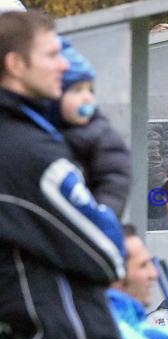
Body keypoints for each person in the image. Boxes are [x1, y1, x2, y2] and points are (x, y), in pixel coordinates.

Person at [0, 10, 140, 339]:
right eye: (50, 54)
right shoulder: (31, 154)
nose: (63, 63)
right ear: (15, 64)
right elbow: (109, 255)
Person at [49, 37, 131, 217]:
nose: (87, 98)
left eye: (89, 90)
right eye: (77, 91)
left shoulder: (101, 133)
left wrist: (103, 211)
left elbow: (115, 177)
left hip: (93, 211)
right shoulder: (44, 130)